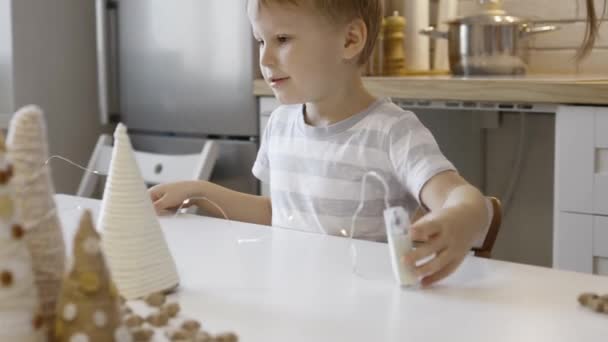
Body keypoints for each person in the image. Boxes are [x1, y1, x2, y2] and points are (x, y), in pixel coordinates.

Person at [149, 0, 489, 287]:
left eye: (282, 38)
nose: (265, 60)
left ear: (350, 40)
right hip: (294, 296)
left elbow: (457, 195)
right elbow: (278, 213)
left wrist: (462, 218)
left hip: (364, 310)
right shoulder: (280, 125)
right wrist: (200, 191)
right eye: (260, 41)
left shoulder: (392, 132)